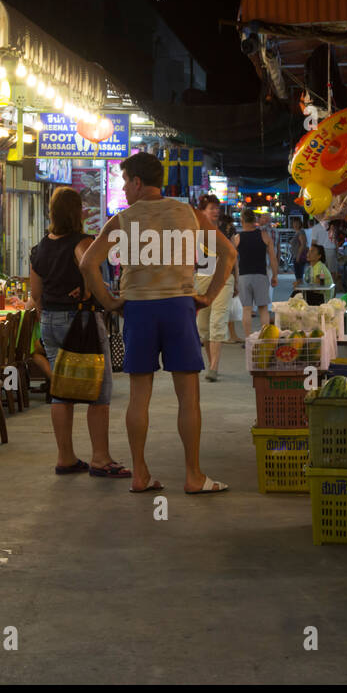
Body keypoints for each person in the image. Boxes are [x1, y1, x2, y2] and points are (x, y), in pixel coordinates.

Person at [80, 153, 236, 494]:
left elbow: (89, 264)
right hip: (179, 307)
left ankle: (140, 474)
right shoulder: (188, 214)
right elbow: (229, 254)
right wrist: (207, 296)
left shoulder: (122, 220)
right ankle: (193, 476)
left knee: (139, 397)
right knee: (188, 397)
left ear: (137, 182)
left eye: (125, 182)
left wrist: (110, 302)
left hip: (138, 309)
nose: (123, 189)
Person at [28, 187, 126, 477]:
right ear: (77, 212)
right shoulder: (83, 242)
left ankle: (66, 457)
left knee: (61, 391)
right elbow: (89, 267)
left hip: (50, 322)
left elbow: (36, 294)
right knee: (99, 389)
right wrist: (89, 290)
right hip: (80, 320)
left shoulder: (39, 248)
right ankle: (100, 458)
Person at [193, 194, 234, 382]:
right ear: (203, 211)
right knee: (203, 326)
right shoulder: (195, 231)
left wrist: (237, 281)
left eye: (217, 208)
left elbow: (234, 257)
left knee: (218, 321)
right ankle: (211, 364)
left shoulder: (226, 230)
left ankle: (214, 367)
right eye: (212, 208)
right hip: (201, 278)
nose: (216, 211)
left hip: (224, 278)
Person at [235, 207, 278, 339]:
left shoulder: (237, 238)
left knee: (246, 309)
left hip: (244, 276)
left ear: (242, 220)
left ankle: (248, 339)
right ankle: (265, 338)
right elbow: (272, 258)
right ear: (255, 221)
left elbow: (233, 261)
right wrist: (275, 275)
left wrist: (236, 279)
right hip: (261, 275)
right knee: (263, 308)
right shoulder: (264, 236)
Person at [290, 217, 308, 283]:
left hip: (298, 257)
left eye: (297, 223)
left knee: (299, 277)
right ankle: (300, 290)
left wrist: (298, 256)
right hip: (296, 256)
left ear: (300, 224)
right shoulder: (297, 232)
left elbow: (303, 244)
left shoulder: (300, 232)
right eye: (294, 223)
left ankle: (300, 291)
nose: (295, 225)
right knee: (298, 276)